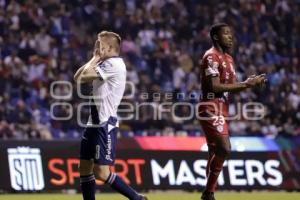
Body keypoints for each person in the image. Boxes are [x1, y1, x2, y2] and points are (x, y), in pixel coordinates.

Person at [74, 31, 148, 200]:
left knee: (101, 172)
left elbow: (83, 76)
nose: (96, 48)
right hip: (93, 124)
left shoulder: (114, 64)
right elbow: (77, 77)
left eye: (99, 45)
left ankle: (136, 198)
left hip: (104, 124)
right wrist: (94, 58)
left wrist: (94, 59)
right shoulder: (103, 63)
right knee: (84, 168)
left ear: (108, 48)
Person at [199, 23, 266, 200]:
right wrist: (246, 84)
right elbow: (215, 86)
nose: (230, 37)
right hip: (210, 105)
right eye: (226, 34)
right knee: (224, 148)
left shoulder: (229, 59)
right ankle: (208, 192)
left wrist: (249, 83)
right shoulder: (211, 57)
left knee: (215, 152)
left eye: (231, 34)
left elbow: (230, 87)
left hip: (223, 107)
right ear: (215, 37)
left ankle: (209, 192)